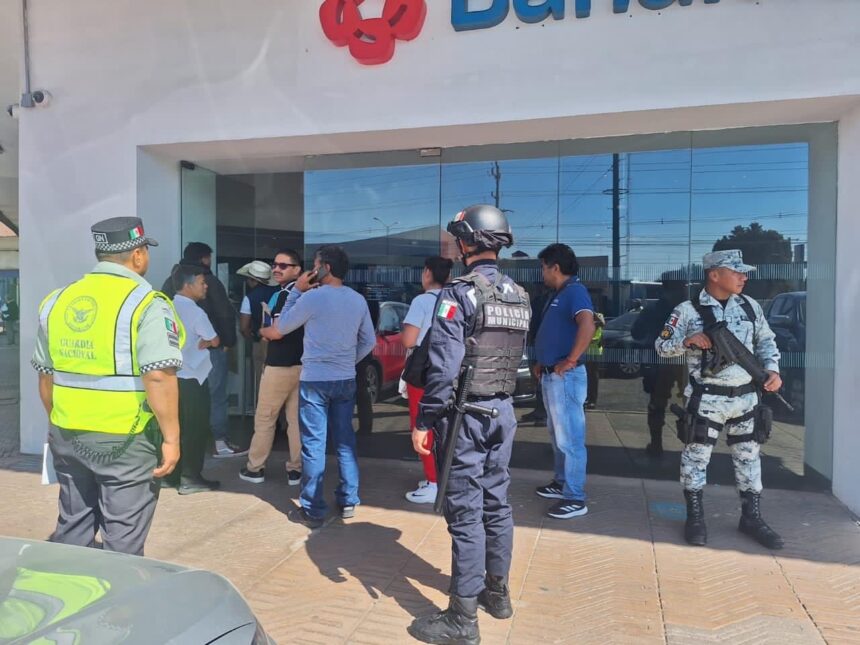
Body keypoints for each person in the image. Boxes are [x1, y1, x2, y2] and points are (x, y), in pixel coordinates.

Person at [408, 205, 530, 645]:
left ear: (467, 242)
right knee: (497, 504)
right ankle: (496, 594)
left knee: (465, 513)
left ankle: (462, 619)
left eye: (458, 238)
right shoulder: (519, 296)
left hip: (466, 417)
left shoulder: (458, 294)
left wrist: (424, 420)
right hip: (503, 412)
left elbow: (443, 368)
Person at [32, 217, 184, 555]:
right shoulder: (147, 303)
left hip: (67, 433)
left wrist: (59, 423)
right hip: (126, 440)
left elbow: (45, 375)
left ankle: (72, 586)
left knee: (73, 527)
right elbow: (158, 376)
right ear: (138, 255)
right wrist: (172, 439)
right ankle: (118, 591)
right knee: (123, 540)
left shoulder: (57, 300)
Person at [655, 249, 784, 549]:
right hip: (707, 399)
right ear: (714, 275)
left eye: (743, 272)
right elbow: (661, 347)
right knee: (695, 459)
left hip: (746, 398)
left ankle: (751, 517)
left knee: (749, 460)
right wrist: (686, 341)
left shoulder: (750, 306)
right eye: (736, 271)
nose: (743, 277)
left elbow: (766, 342)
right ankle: (695, 518)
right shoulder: (687, 310)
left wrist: (773, 370)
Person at [260, 245, 375, 527]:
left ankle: (313, 509)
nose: (312, 270)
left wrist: (297, 291)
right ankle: (348, 500)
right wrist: (348, 360)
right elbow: (369, 341)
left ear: (326, 268)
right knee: (345, 441)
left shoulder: (311, 298)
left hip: (315, 379)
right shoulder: (357, 300)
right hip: (345, 378)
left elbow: (282, 327)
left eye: (315, 265)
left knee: (313, 444)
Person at [532, 243, 595, 520]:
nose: (542, 273)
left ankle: (575, 497)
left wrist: (570, 360)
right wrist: (542, 361)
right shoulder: (560, 293)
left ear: (555, 267)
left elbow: (587, 325)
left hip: (566, 377)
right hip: (551, 374)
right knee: (558, 434)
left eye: (543, 267)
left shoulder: (575, 291)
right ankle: (561, 482)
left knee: (570, 438)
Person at [163, 242, 242, 458]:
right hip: (207, 350)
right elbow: (224, 312)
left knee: (183, 400)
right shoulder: (208, 282)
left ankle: (182, 445)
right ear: (204, 258)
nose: (203, 285)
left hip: (177, 355)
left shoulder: (172, 282)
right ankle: (220, 443)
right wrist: (227, 342)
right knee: (216, 395)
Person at [240, 250, 305, 486]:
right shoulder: (310, 295)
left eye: (283, 266)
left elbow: (275, 331)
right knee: (296, 422)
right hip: (303, 365)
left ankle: (255, 468)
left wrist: (261, 331)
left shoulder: (285, 294)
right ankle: (296, 469)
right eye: (275, 265)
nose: (276, 269)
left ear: (297, 269)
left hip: (279, 365)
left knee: (265, 419)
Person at [401, 255, 453, 504]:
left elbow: (409, 341)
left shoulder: (421, 301)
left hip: (422, 373)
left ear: (428, 273)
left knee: (422, 426)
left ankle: (433, 483)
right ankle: (440, 479)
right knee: (443, 428)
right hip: (446, 371)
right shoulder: (452, 302)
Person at [167, 264, 221, 494]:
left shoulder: (166, 307)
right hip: (192, 377)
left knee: (174, 427)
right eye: (201, 282)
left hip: (169, 378)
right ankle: (190, 478)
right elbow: (214, 339)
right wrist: (207, 342)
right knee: (195, 428)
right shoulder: (196, 312)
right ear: (188, 285)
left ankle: (171, 475)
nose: (205, 286)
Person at [631, 272, 689, 457]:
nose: (684, 291)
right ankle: (690, 445)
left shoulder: (653, 310)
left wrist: (652, 338)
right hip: (681, 363)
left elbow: (636, 333)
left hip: (661, 362)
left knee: (658, 405)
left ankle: (657, 444)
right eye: (682, 287)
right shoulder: (689, 310)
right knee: (690, 403)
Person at [237, 260, 278, 410]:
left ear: (252, 280)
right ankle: (282, 420)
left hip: (261, 343)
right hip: (283, 343)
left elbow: (243, 327)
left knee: (263, 383)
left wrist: (253, 337)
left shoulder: (249, 298)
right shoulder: (280, 292)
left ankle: (265, 417)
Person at [584, 311, 605, 409]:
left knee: (593, 376)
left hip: (595, 352)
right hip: (585, 352)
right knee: (585, 376)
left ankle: (592, 400)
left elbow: (602, 324)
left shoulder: (598, 318)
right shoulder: (585, 316)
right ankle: (587, 398)